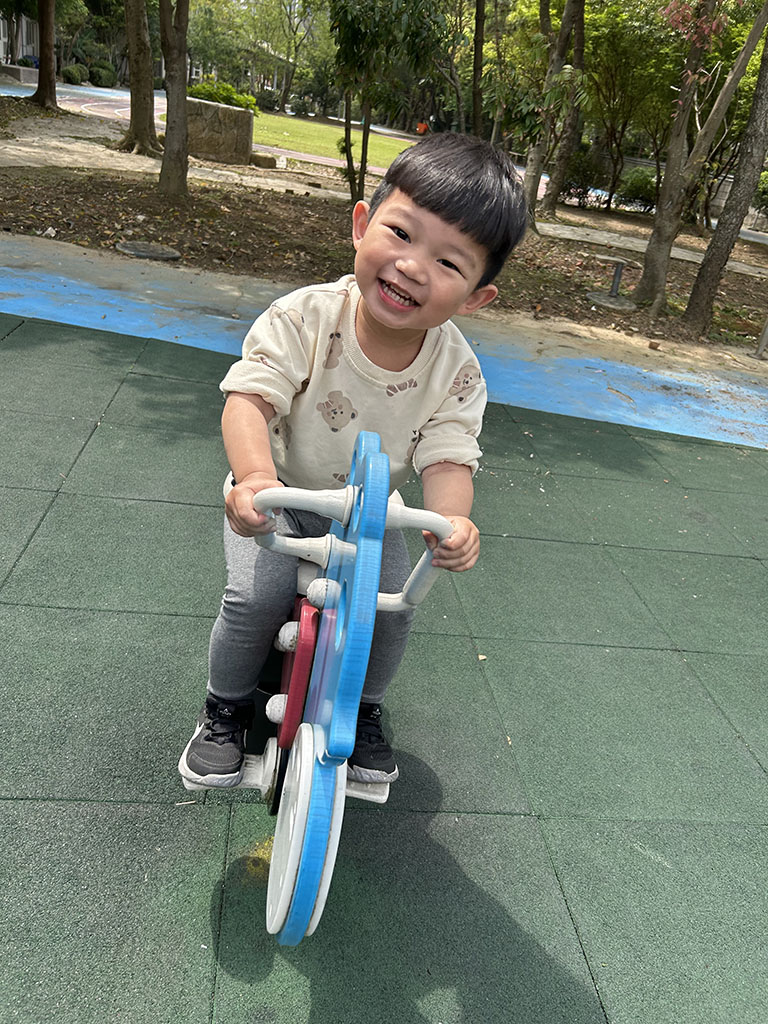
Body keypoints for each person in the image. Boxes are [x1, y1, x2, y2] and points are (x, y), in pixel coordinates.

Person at [178, 132, 527, 790]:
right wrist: (254, 479)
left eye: (449, 263)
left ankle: (363, 708)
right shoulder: (304, 318)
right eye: (401, 233)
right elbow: (249, 400)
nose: (413, 267)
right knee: (254, 597)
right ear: (363, 225)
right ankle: (224, 707)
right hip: (281, 494)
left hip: (369, 513)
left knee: (390, 608)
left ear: (476, 296)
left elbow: (449, 457)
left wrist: (450, 521)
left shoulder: (456, 371)